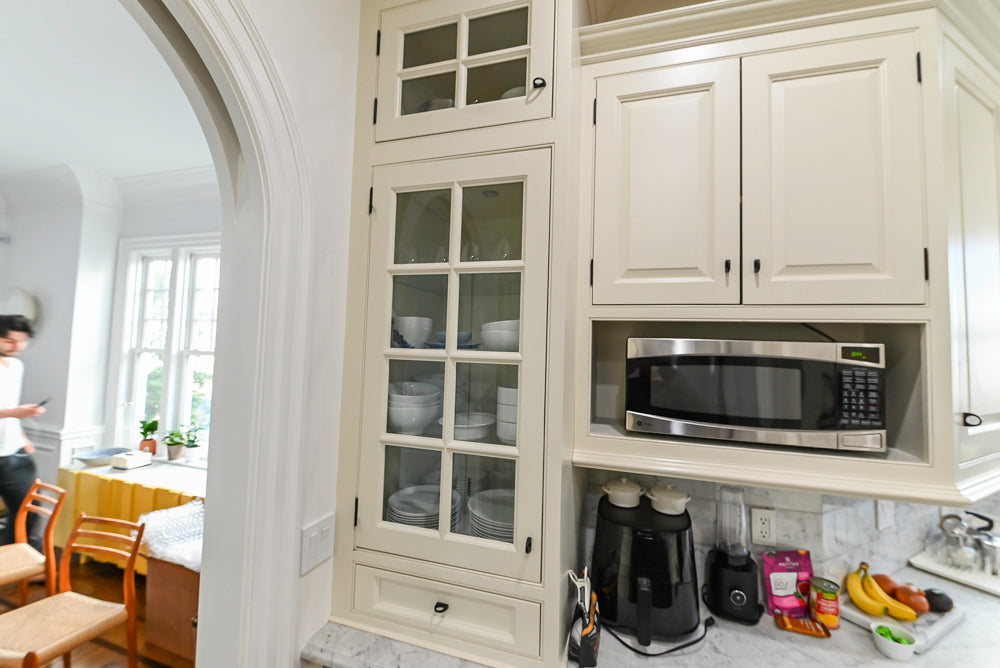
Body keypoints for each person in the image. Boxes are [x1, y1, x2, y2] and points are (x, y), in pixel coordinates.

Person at [0, 314, 45, 549]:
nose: (17, 346)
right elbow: (10, 410)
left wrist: (22, 435)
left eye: (22, 341)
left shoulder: (17, 366)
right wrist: (15, 413)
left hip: (14, 452)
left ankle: (14, 561)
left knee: (28, 510)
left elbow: (9, 405)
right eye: (9, 341)